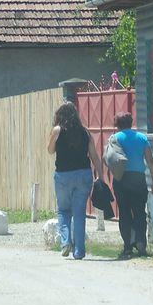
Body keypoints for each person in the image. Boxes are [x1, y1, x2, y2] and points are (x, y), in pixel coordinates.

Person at [47, 101, 101, 260]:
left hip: (63, 175)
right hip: (84, 175)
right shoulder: (85, 132)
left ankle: (65, 243)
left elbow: (50, 150)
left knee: (64, 210)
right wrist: (100, 176)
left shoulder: (57, 130)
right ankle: (79, 251)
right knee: (79, 213)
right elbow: (94, 156)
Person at [111, 112, 153, 259]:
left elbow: (109, 158)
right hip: (138, 179)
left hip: (121, 179)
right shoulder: (142, 138)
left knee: (124, 212)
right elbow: (150, 161)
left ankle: (127, 246)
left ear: (117, 125)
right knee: (139, 212)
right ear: (131, 123)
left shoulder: (114, 138)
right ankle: (140, 242)